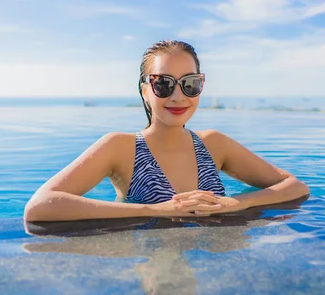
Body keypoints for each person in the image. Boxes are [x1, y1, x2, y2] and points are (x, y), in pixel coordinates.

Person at [24, 40, 309, 222]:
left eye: (190, 83)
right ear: (145, 91)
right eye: (163, 83)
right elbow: (40, 206)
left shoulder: (214, 144)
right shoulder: (120, 147)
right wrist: (155, 210)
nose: (178, 96)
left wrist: (234, 203)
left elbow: (295, 187)